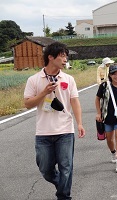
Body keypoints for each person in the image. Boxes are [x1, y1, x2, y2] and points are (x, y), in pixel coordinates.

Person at [23, 42, 86, 200]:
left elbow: (75, 102)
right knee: (45, 169)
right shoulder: (34, 79)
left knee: (66, 167)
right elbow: (27, 104)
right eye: (62, 55)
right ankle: (62, 184)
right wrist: (44, 92)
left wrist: (79, 123)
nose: (65, 59)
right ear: (50, 57)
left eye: (66, 56)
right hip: (43, 132)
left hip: (65, 130)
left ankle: (64, 196)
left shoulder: (68, 79)